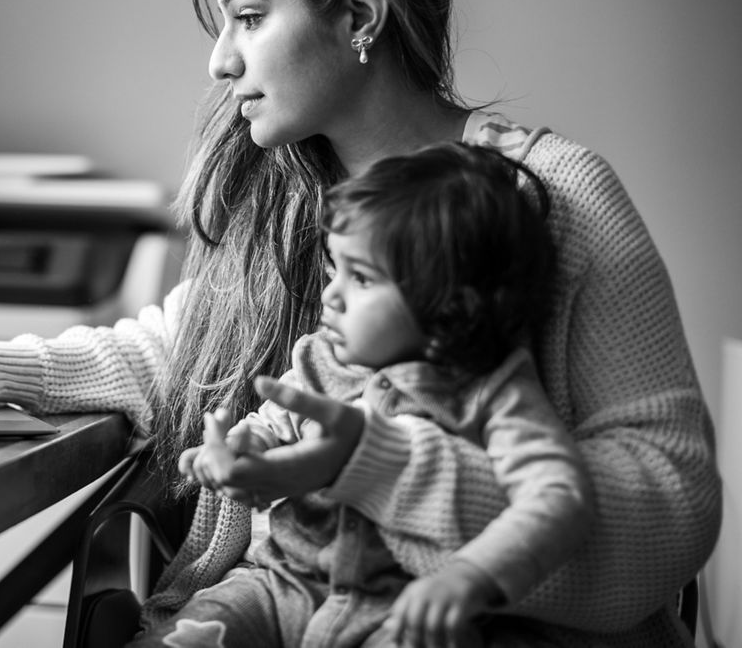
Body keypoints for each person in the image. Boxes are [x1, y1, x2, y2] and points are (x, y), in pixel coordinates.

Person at [0, 0, 720, 645]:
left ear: (360, 13)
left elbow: (673, 500)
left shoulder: (553, 194)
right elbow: (184, 354)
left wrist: (380, 474)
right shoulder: (282, 197)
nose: (220, 61)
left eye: (249, 16)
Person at [170, 141, 593, 648]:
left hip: (402, 613)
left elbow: (558, 497)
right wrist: (239, 451)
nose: (331, 294)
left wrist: (470, 576)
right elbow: (268, 424)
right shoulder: (322, 359)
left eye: (362, 278)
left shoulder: (493, 390)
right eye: (335, 269)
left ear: (450, 310)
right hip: (279, 582)